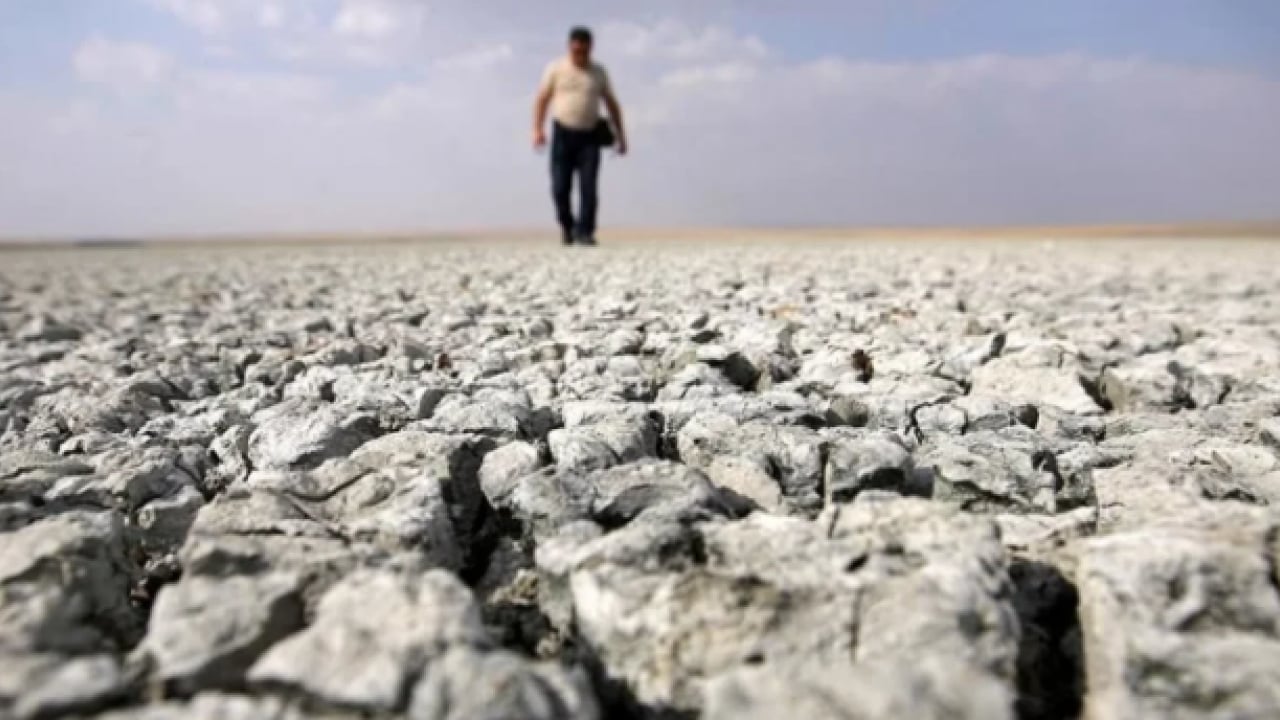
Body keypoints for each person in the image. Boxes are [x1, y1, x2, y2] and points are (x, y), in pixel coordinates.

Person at [533, 26, 627, 247]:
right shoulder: (556, 69)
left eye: (584, 52)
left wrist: (622, 136)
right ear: (570, 47)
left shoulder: (599, 71)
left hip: (590, 136)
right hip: (563, 134)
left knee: (589, 188)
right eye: (576, 51)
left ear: (590, 48)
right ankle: (568, 226)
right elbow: (542, 99)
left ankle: (585, 232)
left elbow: (612, 104)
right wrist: (537, 129)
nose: (580, 56)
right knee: (559, 187)